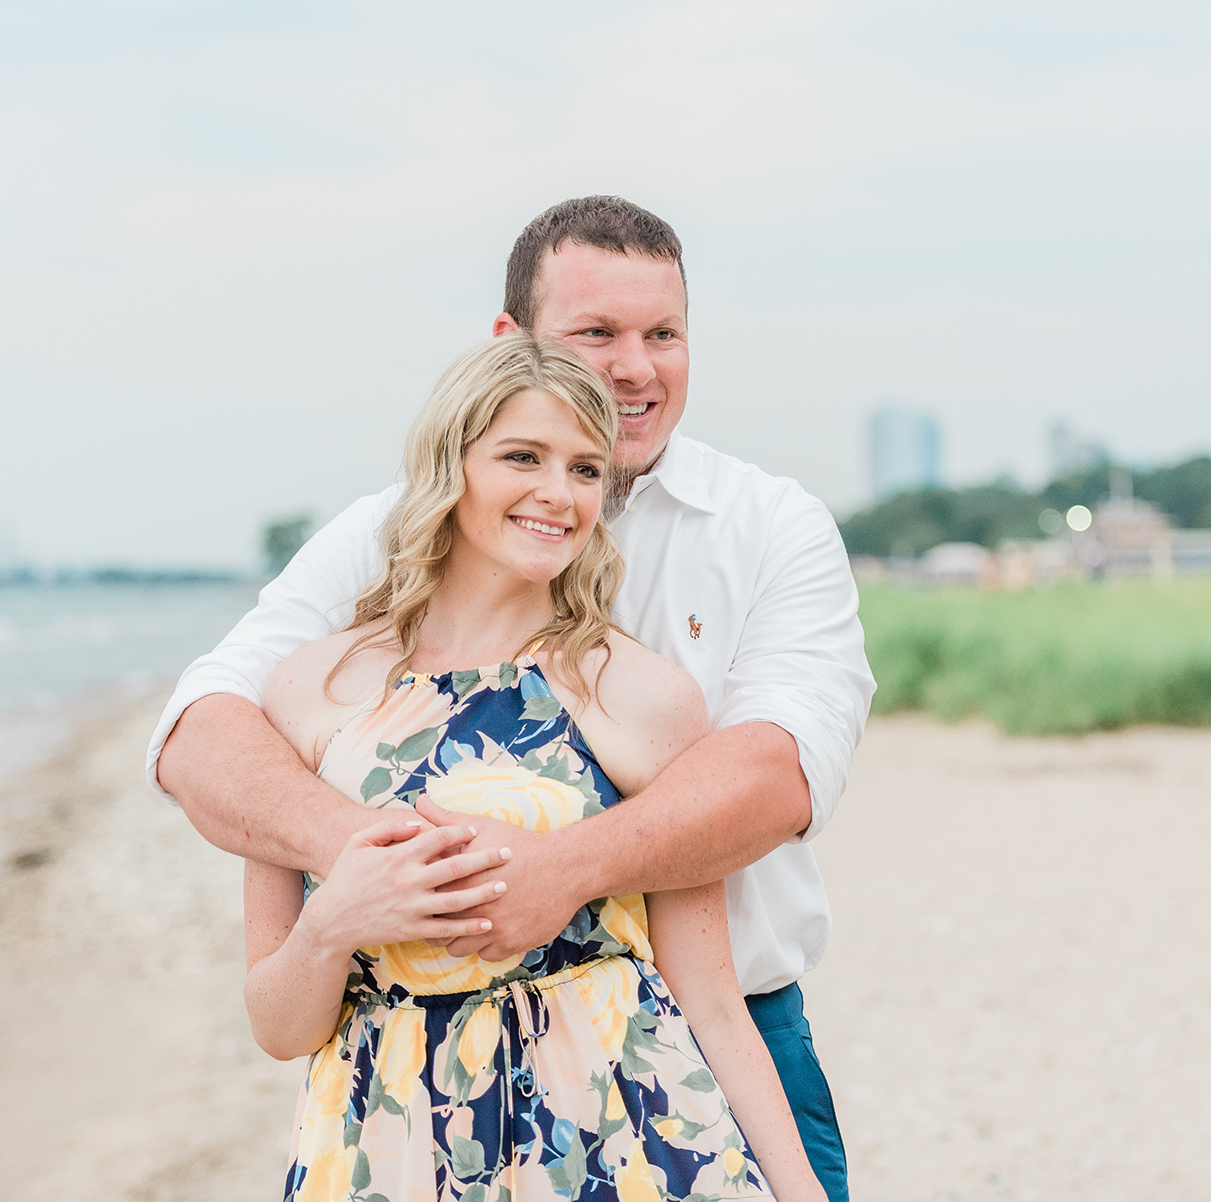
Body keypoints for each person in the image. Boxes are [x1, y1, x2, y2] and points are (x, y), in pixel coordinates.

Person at [150, 196, 873, 1200]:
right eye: (596, 333)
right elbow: (203, 733)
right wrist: (353, 871)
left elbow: (777, 777)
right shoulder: (335, 629)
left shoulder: (758, 538)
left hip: (674, 1065)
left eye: (663, 332)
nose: (634, 366)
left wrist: (562, 869)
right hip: (394, 1128)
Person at [248, 333, 825, 1200]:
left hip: (623, 1139)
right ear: (451, 466)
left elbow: (709, 1000)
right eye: (524, 457)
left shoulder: (636, 694)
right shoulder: (309, 691)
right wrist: (333, 922)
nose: (559, 495)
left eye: (587, 470)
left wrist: (802, 1192)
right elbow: (281, 1027)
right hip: (386, 1150)